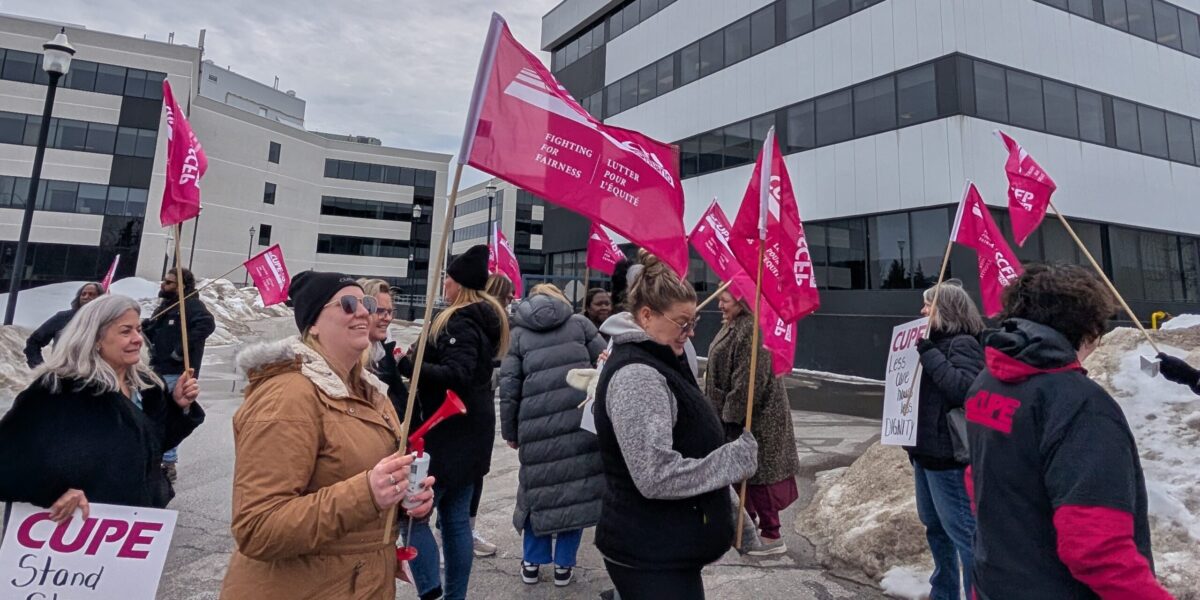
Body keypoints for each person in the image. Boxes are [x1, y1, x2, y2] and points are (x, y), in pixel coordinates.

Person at [220, 272, 435, 600]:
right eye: (348, 304)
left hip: (359, 583)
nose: (364, 312)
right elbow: (257, 527)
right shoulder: (287, 396)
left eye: (366, 303)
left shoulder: (372, 392)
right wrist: (368, 492)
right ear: (314, 325)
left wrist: (406, 501)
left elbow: (361, 488)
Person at [967, 263, 1173, 600]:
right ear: (1089, 329)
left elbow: (978, 483)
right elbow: (1096, 548)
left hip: (996, 582)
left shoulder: (987, 383)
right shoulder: (1081, 407)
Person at [593, 255, 758, 599]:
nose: (691, 331)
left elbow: (694, 447)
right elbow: (654, 474)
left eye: (694, 320)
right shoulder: (637, 376)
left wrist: (730, 510)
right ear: (646, 315)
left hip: (667, 549)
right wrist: (731, 462)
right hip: (648, 555)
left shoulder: (664, 356)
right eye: (682, 322)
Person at [0, 294, 203, 515]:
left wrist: (178, 406)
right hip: (74, 529)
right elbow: (8, 460)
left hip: (135, 522)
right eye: (126, 331)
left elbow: (153, 445)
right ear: (95, 338)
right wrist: (52, 491)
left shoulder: (147, 386)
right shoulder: (58, 389)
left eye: (138, 329)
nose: (138, 339)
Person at [398, 245, 509, 600]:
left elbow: (457, 374)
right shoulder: (485, 318)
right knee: (455, 520)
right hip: (471, 435)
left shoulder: (459, 320)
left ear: (458, 284)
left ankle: (432, 592)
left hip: (447, 436)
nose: (443, 283)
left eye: (447, 277)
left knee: (414, 518)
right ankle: (454, 596)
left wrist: (410, 367)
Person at [499, 283, 606, 587]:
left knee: (537, 491)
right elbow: (606, 364)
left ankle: (532, 562)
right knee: (575, 490)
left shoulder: (519, 334)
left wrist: (510, 430)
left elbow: (509, 389)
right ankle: (564, 566)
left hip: (535, 427)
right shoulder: (581, 325)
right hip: (578, 422)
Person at [704, 290, 801, 556]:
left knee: (761, 477)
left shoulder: (751, 329)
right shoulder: (735, 325)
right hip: (735, 414)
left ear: (741, 299)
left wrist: (730, 418)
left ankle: (772, 536)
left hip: (756, 418)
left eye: (725, 298)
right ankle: (748, 527)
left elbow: (749, 382)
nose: (719, 302)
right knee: (744, 476)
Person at [909, 282, 984, 600]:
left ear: (948, 311)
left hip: (949, 458)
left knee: (963, 534)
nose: (923, 311)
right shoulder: (930, 344)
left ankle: (976, 593)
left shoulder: (962, 344)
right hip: (925, 455)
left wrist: (929, 354)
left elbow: (964, 390)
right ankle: (944, 592)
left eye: (929, 305)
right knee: (935, 528)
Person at [142, 268, 216, 483]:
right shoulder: (167, 306)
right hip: (157, 369)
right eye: (164, 281)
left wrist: (180, 351)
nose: (164, 285)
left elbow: (206, 324)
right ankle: (153, 457)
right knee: (153, 414)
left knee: (169, 416)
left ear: (182, 286)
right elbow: (156, 331)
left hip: (177, 372)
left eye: (170, 282)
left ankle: (167, 463)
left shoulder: (191, 305)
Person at [470, 272, 516, 559]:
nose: (512, 299)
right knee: (462, 478)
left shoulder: (499, 322)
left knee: (476, 475)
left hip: (482, 406)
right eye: (508, 294)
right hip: (470, 408)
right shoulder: (483, 321)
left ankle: (465, 530)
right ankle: (449, 534)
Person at [359, 278, 410, 420]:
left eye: (390, 312)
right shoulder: (347, 360)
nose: (387, 318)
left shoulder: (384, 353)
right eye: (380, 311)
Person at [23, 281, 103, 367]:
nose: (86, 297)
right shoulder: (63, 317)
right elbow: (34, 342)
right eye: (83, 294)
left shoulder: (108, 321)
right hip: (63, 374)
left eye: (91, 294)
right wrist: (41, 370)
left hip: (95, 376)